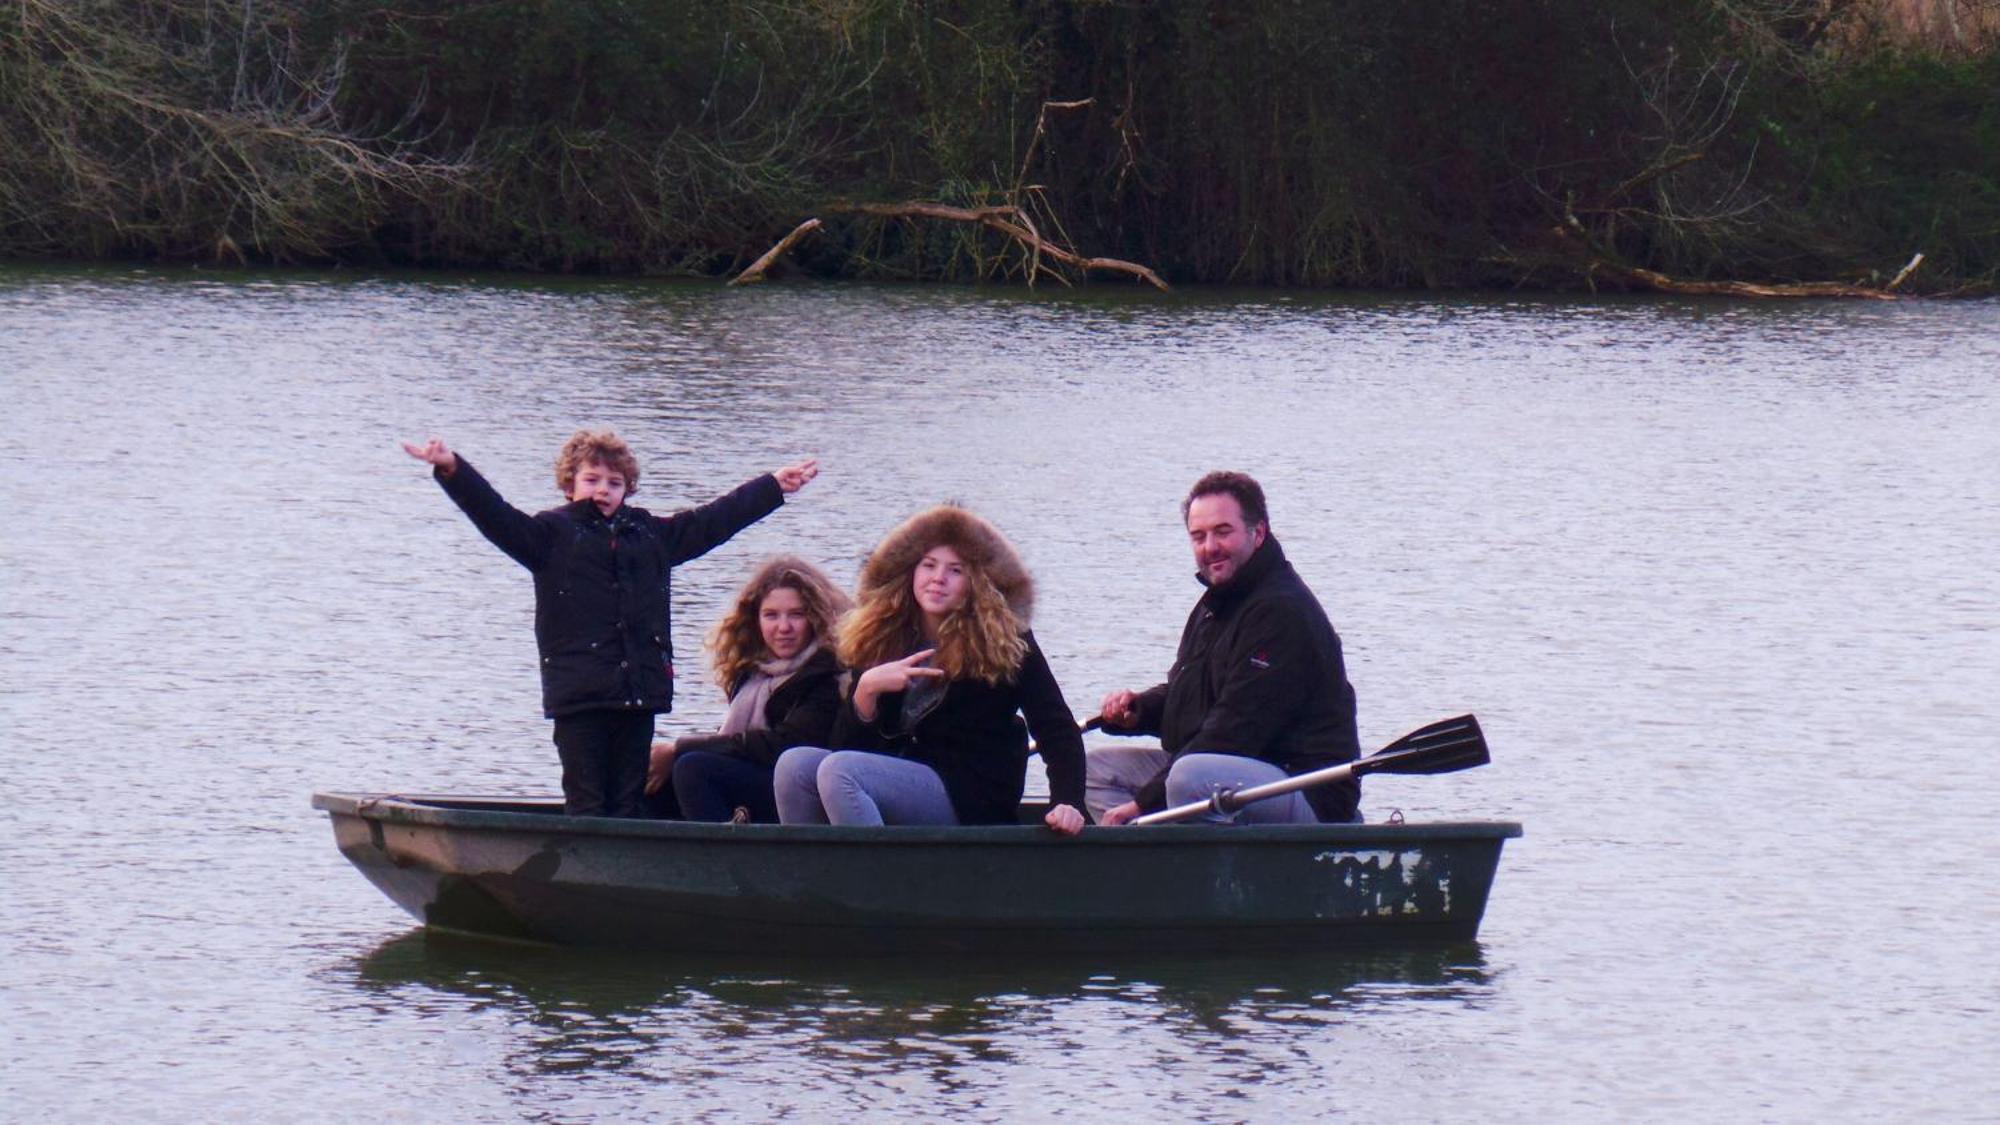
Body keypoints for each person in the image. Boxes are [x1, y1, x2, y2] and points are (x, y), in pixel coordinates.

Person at [401, 429, 817, 818]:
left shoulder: (649, 534)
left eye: (614, 483)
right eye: (592, 479)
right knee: (587, 800)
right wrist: (453, 469)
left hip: (638, 696)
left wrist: (772, 486)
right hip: (580, 698)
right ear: (570, 485)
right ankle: (585, 873)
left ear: (626, 490)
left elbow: (713, 521)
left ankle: (626, 870)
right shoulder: (549, 536)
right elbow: (494, 515)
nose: (602, 489)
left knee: (628, 801)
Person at [772, 506, 1088, 835]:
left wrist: (1068, 801)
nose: (938, 578)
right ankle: (815, 881)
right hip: (894, 777)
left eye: (955, 570)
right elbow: (845, 747)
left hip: (970, 795)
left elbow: (1056, 729)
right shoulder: (881, 634)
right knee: (793, 766)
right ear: (910, 571)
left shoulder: (1007, 639)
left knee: (840, 772)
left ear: (976, 582)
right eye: (929, 565)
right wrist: (866, 692)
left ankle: (871, 883)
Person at [1089, 471, 1363, 825]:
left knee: (1188, 778)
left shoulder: (1281, 611)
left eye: (1222, 532)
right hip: (1232, 769)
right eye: (1198, 537)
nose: (1209, 547)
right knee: (1096, 770)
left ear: (1258, 533)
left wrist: (1143, 805)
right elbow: (1193, 698)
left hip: (1303, 786)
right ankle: (1156, 871)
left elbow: (1235, 730)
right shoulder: (1215, 604)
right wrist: (1139, 711)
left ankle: (1204, 872)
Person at [643, 555, 849, 823]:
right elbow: (736, 739)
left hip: (798, 790)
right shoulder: (752, 674)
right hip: (756, 773)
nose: (783, 627)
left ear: (815, 618)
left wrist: (679, 748)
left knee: (692, 768)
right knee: (650, 773)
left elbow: (782, 744)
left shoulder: (828, 672)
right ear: (756, 620)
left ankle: (725, 860)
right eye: (771, 615)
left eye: (797, 615)